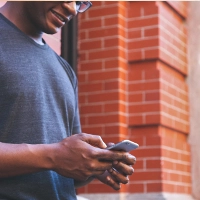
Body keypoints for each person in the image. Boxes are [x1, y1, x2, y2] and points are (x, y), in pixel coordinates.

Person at [0, 1, 136, 200]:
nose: (73, 8)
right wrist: (54, 156)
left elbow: (62, 166)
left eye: (80, 2)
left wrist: (92, 165)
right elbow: (55, 157)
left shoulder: (64, 69)